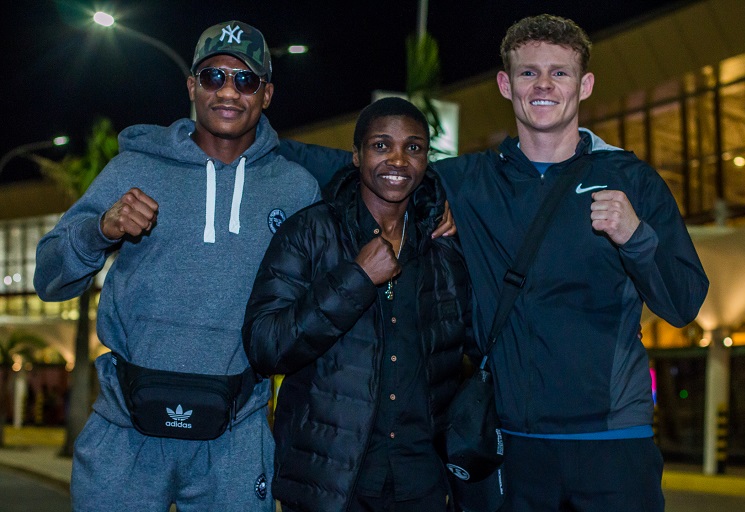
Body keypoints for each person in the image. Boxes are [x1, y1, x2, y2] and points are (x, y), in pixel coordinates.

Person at [276, 13, 709, 512]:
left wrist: (635, 236)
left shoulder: (632, 180)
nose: (543, 85)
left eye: (559, 72)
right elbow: (371, 163)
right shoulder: (469, 181)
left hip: (612, 441)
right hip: (508, 446)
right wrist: (238, 138)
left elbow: (683, 303)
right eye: (528, 73)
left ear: (584, 85)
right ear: (506, 84)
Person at [33, 20, 321, 512]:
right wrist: (101, 228)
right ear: (191, 86)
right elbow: (49, 278)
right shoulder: (133, 170)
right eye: (213, 77)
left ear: (267, 94)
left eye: (245, 80)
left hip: (234, 440)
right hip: (126, 435)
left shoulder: (295, 189)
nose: (228, 92)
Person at [242, 97, 475, 512]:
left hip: (420, 481)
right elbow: (265, 346)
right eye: (381, 145)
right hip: (329, 483)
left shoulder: (442, 245)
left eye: (414, 147)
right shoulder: (310, 232)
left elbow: (457, 355)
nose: (398, 160)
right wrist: (356, 278)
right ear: (356, 155)